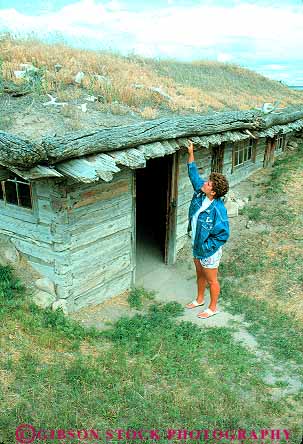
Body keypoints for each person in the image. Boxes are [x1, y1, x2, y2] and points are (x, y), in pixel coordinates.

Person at [186, 140, 230, 319]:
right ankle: (199, 299)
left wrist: (206, 246)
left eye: (209, 184)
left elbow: (223, 235)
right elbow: (193, 174)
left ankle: (212, 308)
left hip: (208, 250)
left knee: (211, 279)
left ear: (213, 192)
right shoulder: (200, 193)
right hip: (196, 244)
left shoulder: (219, 210)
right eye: (208, 181)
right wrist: (190, 152)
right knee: (199, 274)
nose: (205, 183)